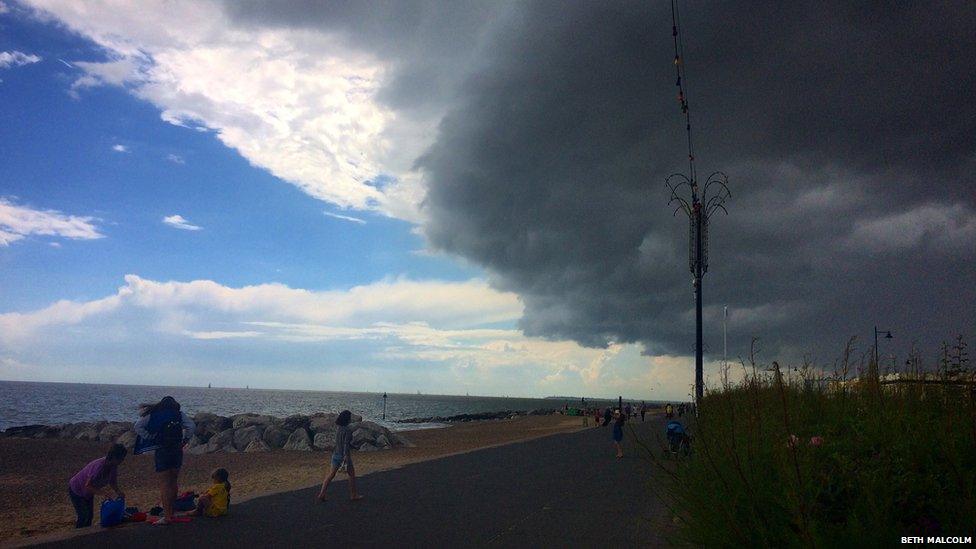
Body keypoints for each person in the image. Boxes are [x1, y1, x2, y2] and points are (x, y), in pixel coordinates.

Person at [134, 396, 195, 526]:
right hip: (177, 450)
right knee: (173, 481)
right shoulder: (178, 415)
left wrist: (150, 436)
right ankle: (171, 512)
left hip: (162, 450)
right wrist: (185, 440)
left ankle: (167, 516)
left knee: (164, 484)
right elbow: (191, 426)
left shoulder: (155, 415)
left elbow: (138, 426)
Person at [68, 443, 127, 528]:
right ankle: (78, 536)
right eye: (120, 458)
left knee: (90, 516)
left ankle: (85, 536)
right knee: (84, 515)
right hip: (76, 489)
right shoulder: (99, 467)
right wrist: (104, 493)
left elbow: (112, 482)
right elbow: (88, 485)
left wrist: (118, 491)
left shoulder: (113, 466)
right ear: (113, 457)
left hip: (88, 493)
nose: (122, 461)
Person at [316, 410, 363, 502]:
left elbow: (337, 442)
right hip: (344, 455)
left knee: (331, 474)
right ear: (347, 419)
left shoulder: (338, 428)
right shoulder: (348, 430)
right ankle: (353, 495)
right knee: (351, 475)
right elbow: (346, 444)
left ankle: (322, 493)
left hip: (335, 454)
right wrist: (346, 456)